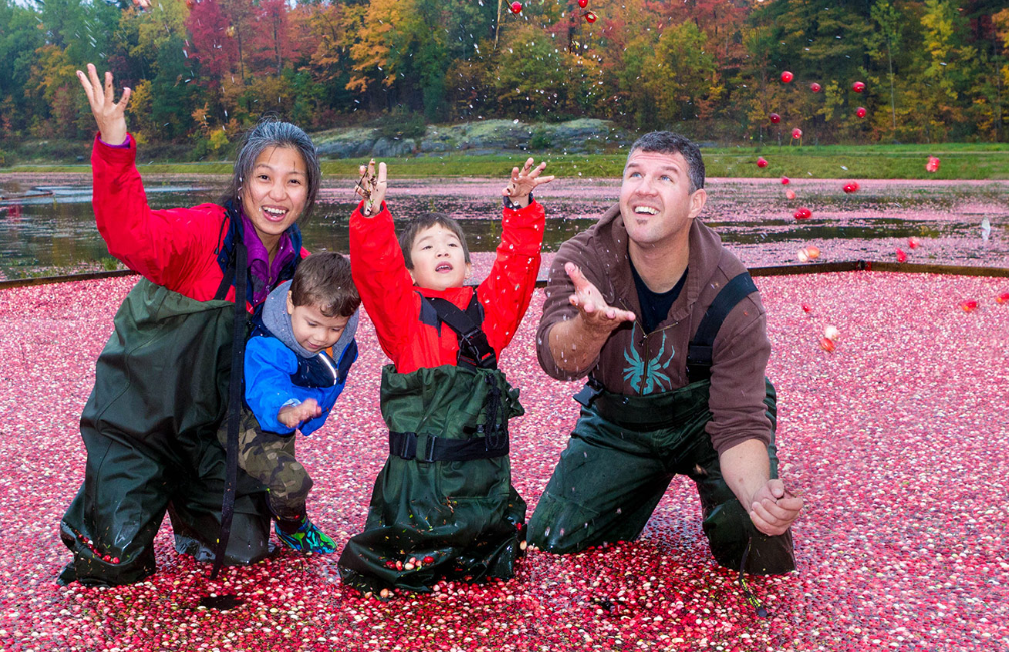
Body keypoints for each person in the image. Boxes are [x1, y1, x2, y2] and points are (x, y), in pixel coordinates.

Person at [58, 64, 320, 586]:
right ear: (243, 182)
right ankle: (127, 493)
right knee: (112, 562)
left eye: (294, 181)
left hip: (218, 440)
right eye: (264, 177)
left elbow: (330, 345)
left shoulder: (301, 272)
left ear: (308, 193)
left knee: (243, 552)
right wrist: (114, 143)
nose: (277, 193)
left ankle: (190, 505)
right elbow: (129, 236)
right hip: (140, 422)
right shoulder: (204, 232)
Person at [527, 132, 802, 578]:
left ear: (696, 203)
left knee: (757, 543)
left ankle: (737, 502)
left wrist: (757, 497)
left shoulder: (733, 296)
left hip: (707, 419)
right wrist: (589, 328)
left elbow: (738, 422)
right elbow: (558, 361)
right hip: (621, 424)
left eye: (664, 177)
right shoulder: (582, 260)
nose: (644, 188)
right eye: (635, 173)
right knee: (552, 541)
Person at [336, 158, 553, 599]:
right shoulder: (402, 317)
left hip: (481, 487)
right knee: (404, 560)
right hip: (416, 492)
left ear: (469, 265)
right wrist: (373, 217)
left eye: (451, 244)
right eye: (428, 246)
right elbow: (376, 275)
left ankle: (476, 539)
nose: (442, 251)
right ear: (410, 269)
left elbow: (517, 270)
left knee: (487, 559)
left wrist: (522, 206)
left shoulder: (487, 314)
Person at [217, 252, 359, 555]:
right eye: (312, 324)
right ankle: (291, 526)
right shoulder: (269, 343)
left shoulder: (342, 337)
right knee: (292, 480)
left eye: (334, 328)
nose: (321, 337)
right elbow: (265, 385)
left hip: (292, 417)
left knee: (281, 465)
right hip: (248, 420)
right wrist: (286, 409)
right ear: (292, 302)